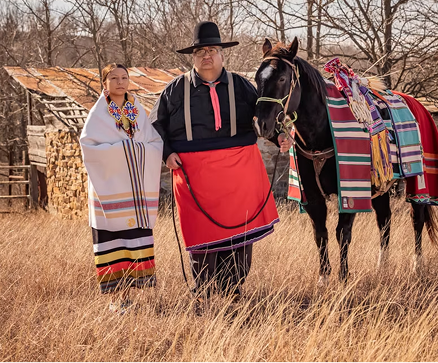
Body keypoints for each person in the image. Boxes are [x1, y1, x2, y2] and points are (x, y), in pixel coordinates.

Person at [150, 21, 292, 300]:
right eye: (200, 51)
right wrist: (167, 153)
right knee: (201, 233)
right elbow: (155, 126)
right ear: (193, 56)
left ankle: (233, 291)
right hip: (194, 174)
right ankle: (203, 293)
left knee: (239, 233)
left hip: (240, 171)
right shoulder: (175, 89)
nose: (207, 55)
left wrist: (279, 138)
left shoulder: (241, 86)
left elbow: (263, 117)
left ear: (222, 54)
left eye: (212, 50)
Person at [80, 63, 163, 314]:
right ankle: (117, 299)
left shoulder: (136, 109)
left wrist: (138, 150)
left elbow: (154, 141)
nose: (120, 82)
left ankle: (129, 297)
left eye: (124, 77)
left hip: (134, 190)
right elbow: (89, 147)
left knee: (132, 238)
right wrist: (126, 150)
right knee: (112, 241)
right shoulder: (98, 113)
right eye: (114, 78)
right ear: (104, 82)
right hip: (109, 189)